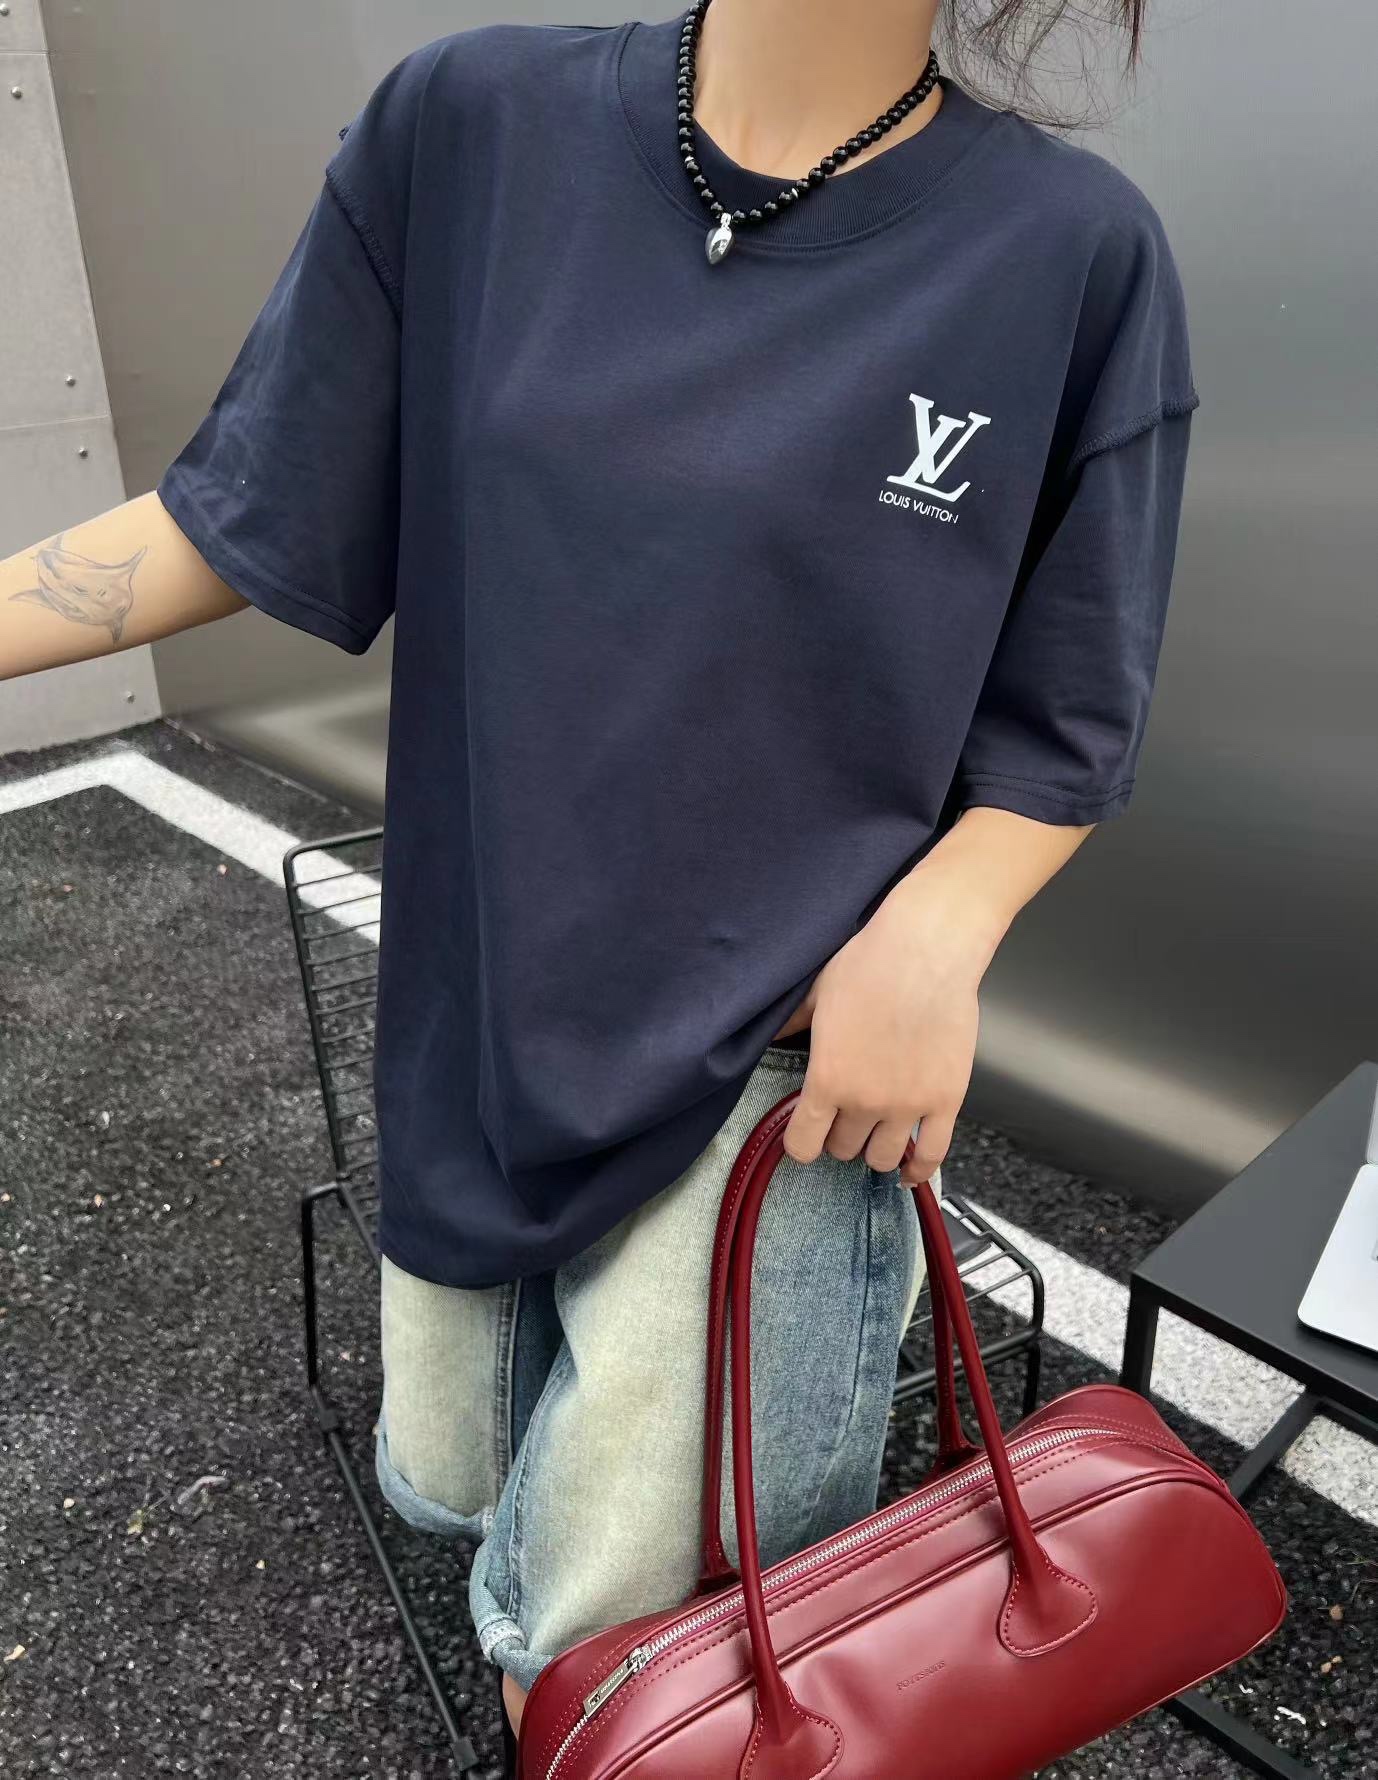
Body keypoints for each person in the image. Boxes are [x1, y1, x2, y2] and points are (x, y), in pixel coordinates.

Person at [1, 0, 1198, 1769]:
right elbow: (234, 514)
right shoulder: (472, 126)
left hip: (781, 1070)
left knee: (621, 1652)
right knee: (465, 1485)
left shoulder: (1068, 253)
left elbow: (1070, 709)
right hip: (483, 997)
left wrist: (939, 932)